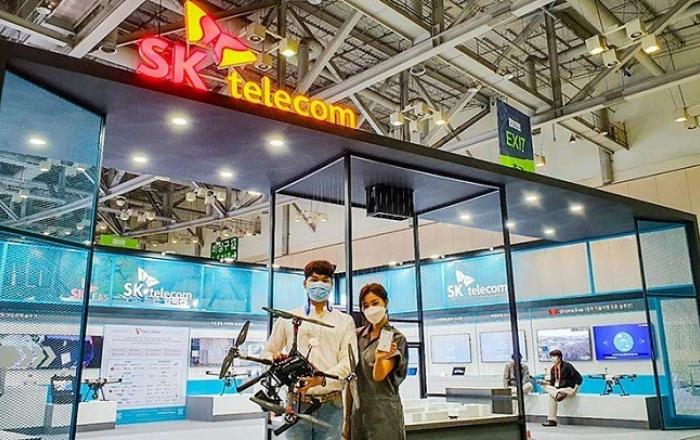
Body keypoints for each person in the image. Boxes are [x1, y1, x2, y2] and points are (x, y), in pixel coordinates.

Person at [262, 260, 357, 440]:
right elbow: (266, 354)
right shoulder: (288, 318)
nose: (319, 285)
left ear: (331, 284)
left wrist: (322, 378)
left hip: (332, 404)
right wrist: (275, 358)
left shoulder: (344, 321)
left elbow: (349, 362)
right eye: (314, 280)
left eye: (325, 280)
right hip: (296, 403)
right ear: (305, 283)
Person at [348, 283, 409, 440]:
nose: (371, 309)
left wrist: (380, 358)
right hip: (358, 413)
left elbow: (379, 375)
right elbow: (349, 376)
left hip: (384, 414)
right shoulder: (356, 335)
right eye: (366, 305)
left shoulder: (395, 338)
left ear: (385, 303)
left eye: (375, 303)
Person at [541, 349, 583, 427]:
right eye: (551, 357)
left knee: (552, 395)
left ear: (559, 357)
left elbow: (579, 378)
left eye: (554, 356)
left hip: (568, 389)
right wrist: (545, 383)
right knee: (545, 387)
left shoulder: (567, 366)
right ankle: (552, 420)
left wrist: (575, 390)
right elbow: (552, 383)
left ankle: (552, 419)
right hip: (558, 390)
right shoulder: (553, 369)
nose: (552, 359)